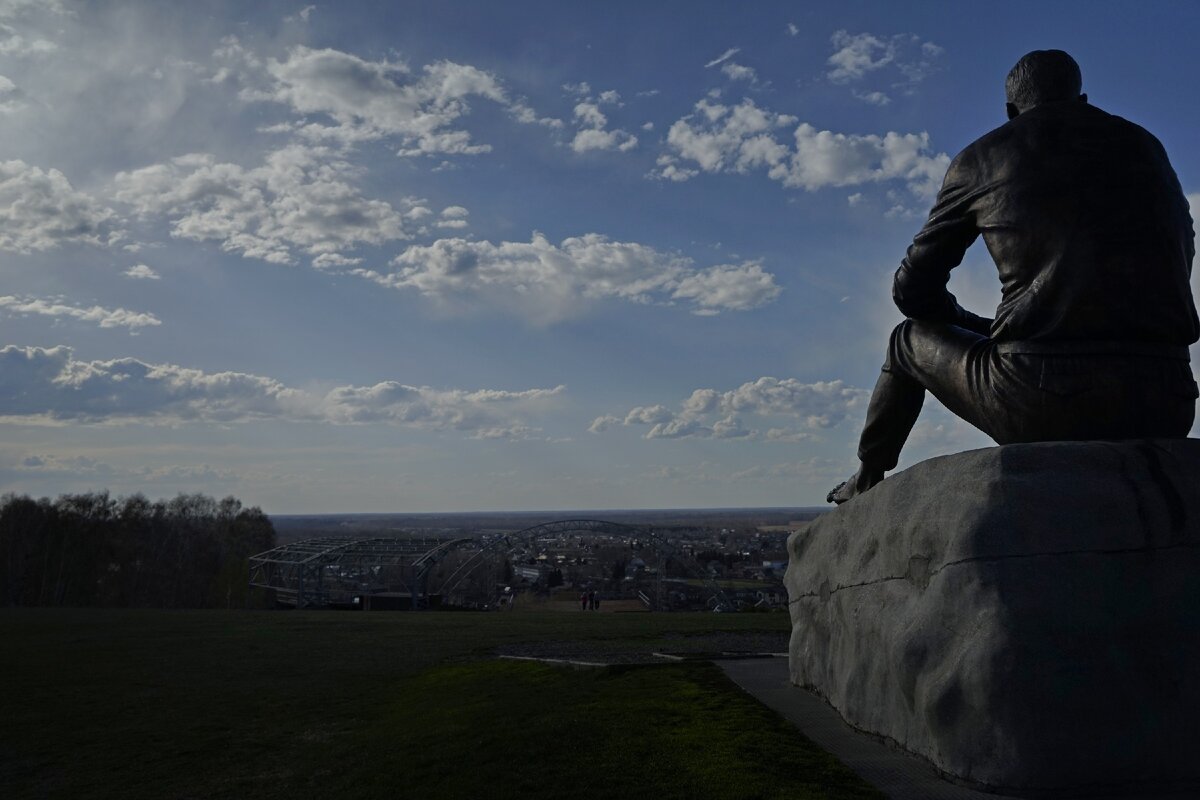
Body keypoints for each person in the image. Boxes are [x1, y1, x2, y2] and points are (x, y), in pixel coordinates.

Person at [829, 49, 1199, 504]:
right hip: (1167, 399)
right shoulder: (1146, 147)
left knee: (906, 340)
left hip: (1044, 400)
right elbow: (1182, 248)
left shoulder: (982, 158)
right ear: (1081, 100)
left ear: (1010, 111)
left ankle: (867, 478)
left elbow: (912, 291)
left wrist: (966, 321)